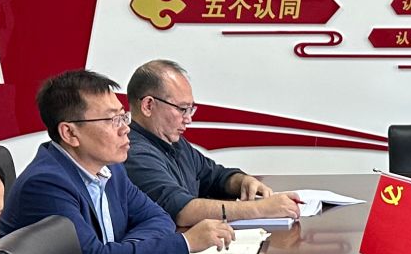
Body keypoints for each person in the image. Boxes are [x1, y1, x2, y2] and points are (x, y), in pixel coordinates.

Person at [2, 69, 232, 254]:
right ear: (70, 133)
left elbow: (159, 218)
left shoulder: (111, 170)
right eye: (112, 120)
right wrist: (186, 242)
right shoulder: (46, 184)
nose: (125, 129)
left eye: (123, 117)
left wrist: (122, 252)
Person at [124, 58, 298, 227]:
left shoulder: (173, 142)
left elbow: (215, 176)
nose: (188, 119)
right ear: (148, 105)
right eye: (182, 109)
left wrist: (243, 182)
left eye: (190, 109)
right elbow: (182, 211)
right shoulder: (134, 152)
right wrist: (261, 209)